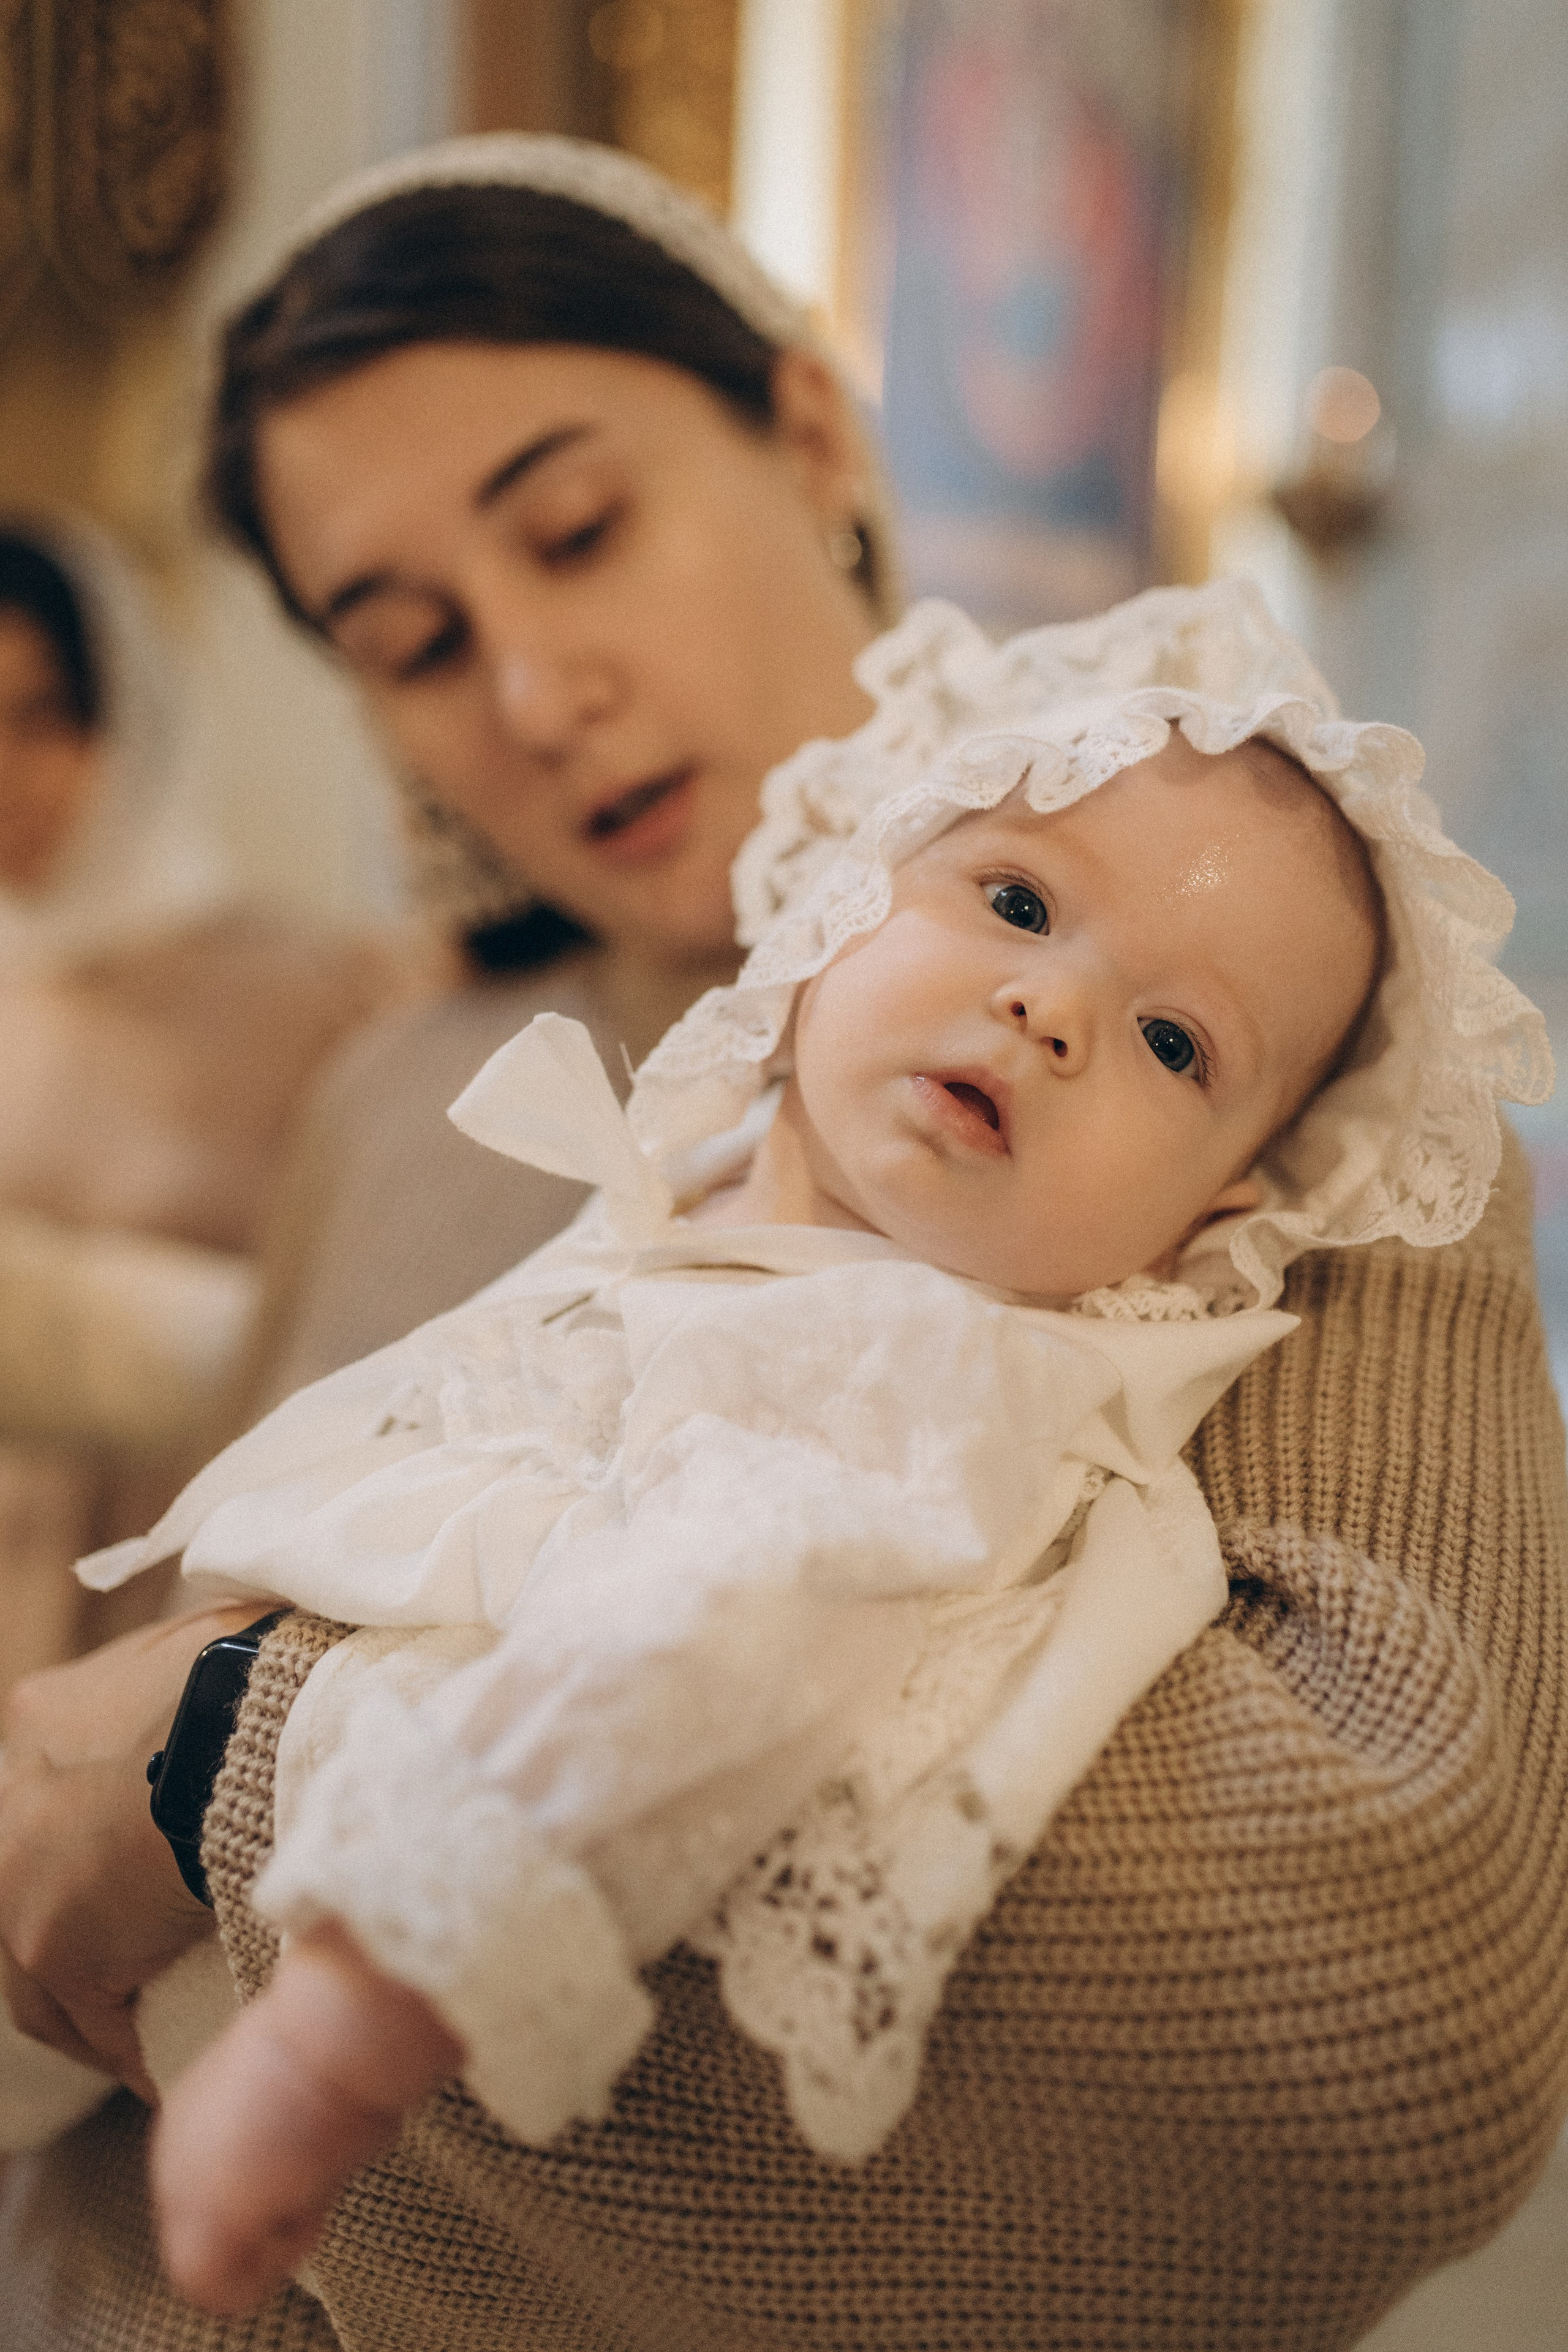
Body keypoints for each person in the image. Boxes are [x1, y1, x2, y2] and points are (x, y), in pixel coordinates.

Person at [0, 140, 1563, 2352]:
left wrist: (225, 1746)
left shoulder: (1289, 1106)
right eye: (415, 643)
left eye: (576, 531)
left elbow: (1382, 2051)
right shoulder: (405, 1077)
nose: (535, 694)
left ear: (812, 429)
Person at [0, 517, 413, 1697]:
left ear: (125, 709)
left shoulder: (304, 988)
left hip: (186, 1557)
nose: (8, 773)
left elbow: (367, 1307)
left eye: (42, 717)